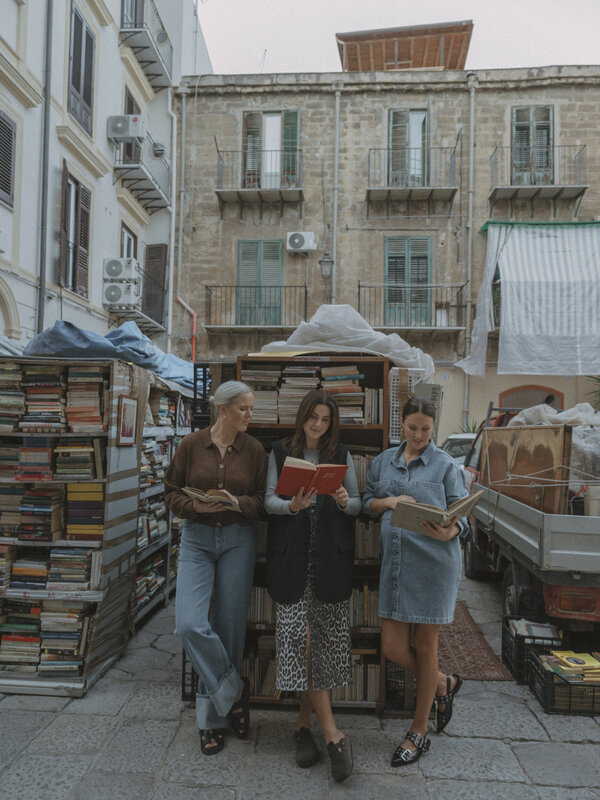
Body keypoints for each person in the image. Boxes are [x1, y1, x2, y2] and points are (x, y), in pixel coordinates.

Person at [362, 396, 468, 766]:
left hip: (435, 565)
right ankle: (441, 683)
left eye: (425, 429)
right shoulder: (382, 462)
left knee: (425, 646)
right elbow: (365, 503)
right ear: (401, 425)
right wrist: (389, 503)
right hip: (394, 565)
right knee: (392, 647)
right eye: (412, 428)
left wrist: (451, 529)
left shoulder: (445, 465)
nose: (419, 435)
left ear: (433, 427)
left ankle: (418, 731)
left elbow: (462, 513)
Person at [164, 380, 267, 756]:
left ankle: (211, 722)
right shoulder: (191, 445)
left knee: (229, 626)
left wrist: (235, 503)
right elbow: (171, 491)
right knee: (189, 623)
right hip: (197, 540)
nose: (249, 415)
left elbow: (260, 502)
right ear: (222, 408)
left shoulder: (254, 450)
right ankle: (235, 691)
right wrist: (195, 508)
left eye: (251, 409)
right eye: (243, 408)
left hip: (239, 539)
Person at [265, 389, 361, 783]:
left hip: (329, 563)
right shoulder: (278, 451)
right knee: (301, 641)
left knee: (317, 642)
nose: (319, 425)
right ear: (303, 416)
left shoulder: (342, 454)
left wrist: (341, 499)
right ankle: (333, 734)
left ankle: (303, 726)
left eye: (325, 419)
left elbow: (357, 503)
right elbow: (267, 499)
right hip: (292, 561)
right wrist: (291, 506)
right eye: (313, 417)